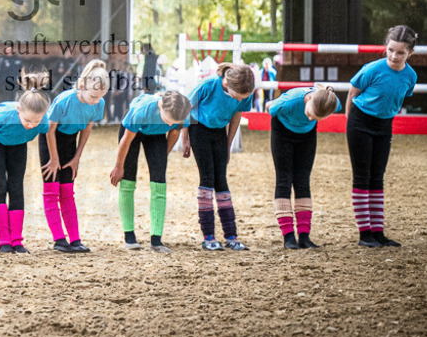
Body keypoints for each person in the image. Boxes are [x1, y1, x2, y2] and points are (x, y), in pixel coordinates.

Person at [346, 24, 418, 248]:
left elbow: (399, 96)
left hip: (384, 124)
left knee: (377, 177)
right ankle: (364, 234)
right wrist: (350, 124)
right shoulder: (372, 69)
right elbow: (352, 92)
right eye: (390, 50)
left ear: (410, 53)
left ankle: (378, 232)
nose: (394, 56)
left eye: (400, 52)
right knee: (362, 176)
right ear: (385, 48)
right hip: (360, 121)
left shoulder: (410, 76)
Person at [181, 63, 255, 251]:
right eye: (237, 96)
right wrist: (185, 138)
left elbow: (236, 116)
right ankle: (208, 236)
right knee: (207, 178)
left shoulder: (245, 91)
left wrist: (228, 145)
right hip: (199, 129)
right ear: (228, 85)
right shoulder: (208, 85)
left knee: (221, 180)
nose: (239, 100)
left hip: (219, 133)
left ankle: (231, 235)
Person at [0, 70, 51, 253]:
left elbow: (49, 137)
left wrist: (54, 158)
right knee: (0, 184)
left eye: (36, 121)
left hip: (18, 144)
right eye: (27, 120)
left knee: (16, 186)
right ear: (19, 110)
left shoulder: (42, 120)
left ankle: (17, 240)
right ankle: (4, 240)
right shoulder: (4, 114)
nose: (31, 124)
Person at [109, 91, 192, 253]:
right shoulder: (141, 110)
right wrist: (119, 166)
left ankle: (156, 239)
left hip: (156, 135)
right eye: (168, 121)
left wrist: (160, 159)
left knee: (159, 184)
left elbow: (174, 132)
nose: (170, 124)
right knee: (128, 182)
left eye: (173, 123)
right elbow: (126, 140)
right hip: (134, 132)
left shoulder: (182, 113)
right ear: (161, 109)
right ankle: (129, 235)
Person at [40, 59, 109, 253]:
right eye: (94, 96)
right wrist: (53, 159)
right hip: (51, 140)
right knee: (52, 191)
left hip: (71, 142)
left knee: (68, 192)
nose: (96, 101)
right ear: (82, 85)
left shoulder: (98, 103)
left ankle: (75, 239)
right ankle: (59, 239)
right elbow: (49, 130)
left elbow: (87, 129)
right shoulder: (64, 100)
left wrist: (77, 158)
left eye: (100, 97)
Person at [267, 85, 342, 249]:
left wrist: (314, 118)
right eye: (309, 114)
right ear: (307, 100)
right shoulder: (290, 101)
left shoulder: (331, 102)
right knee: (284, 179)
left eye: (315, 118)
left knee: (302, 180)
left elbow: (336, 103)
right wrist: (272, 104)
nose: (309, 118)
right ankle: (288, 237)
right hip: (282, 132)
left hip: (307, 136)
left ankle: (304, 236)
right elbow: (270, 107)